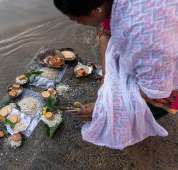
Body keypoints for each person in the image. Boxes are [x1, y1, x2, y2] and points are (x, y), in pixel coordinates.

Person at [53, 0, 178, 149]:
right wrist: (106, 76)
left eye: (77, 19)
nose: (78, 23)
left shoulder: (142, 35)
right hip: (151, 57)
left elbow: (152, 90)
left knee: (146, 110)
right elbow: (106, 33)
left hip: (161, 76)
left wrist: (106, 108)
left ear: (96, 10)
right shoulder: (111, 5)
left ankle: (140, 126)